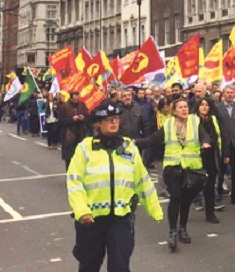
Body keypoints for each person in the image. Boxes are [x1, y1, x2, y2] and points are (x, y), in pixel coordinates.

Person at [67, 99, 163, 271]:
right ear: (98, 123)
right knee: (89, 266)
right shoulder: (85, 148)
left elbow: (142, 180)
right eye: (108, 119)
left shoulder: (129, 147)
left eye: (116, 119)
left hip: (120, 219)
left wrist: (155, 209)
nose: (113, 122)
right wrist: (81, 210)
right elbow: (74, 182)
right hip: (91, 220)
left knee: (120, 266)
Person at [139, 98, 211, 252]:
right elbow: (152, 140)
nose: (184, 109)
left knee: (185, 201)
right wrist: (133, 143)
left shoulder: (195, 121)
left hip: (191, 169)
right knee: (176, 197)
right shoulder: (169, 124)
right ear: (174, 110)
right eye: (181, 107)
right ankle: (172, 232)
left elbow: (206, 136)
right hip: (172, 169)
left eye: (186, 107)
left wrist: (205, 142)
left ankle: (182, 229)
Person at [192, 97, 224, 223]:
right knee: (194, 186)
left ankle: (210, 213)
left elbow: (218, 137)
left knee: (210, 187)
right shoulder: (193, 120)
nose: (204, 107)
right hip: (197, 157)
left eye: (207, 105)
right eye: (202, 105)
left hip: (212, 156)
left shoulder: (213, 119)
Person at [216, 86, 235, 203]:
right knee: (221, 170)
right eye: (227, 92)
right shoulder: (217, 108)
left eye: (232, 92)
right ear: (223, 94)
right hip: (223, 143)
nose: (230, 95)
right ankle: (219, 192)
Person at [58, 91, 89, 170]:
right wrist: (72, 119)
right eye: (75, 98)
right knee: (69, 158)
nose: (76, 100)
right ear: (71, 97)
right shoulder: (64, 106)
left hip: (80, 134)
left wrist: (83, 118)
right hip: (68, 135)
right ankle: (70, 175)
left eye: (78, 98)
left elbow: (88, 118)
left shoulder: (82, 105)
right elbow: (60, 121)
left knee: (81, 157)